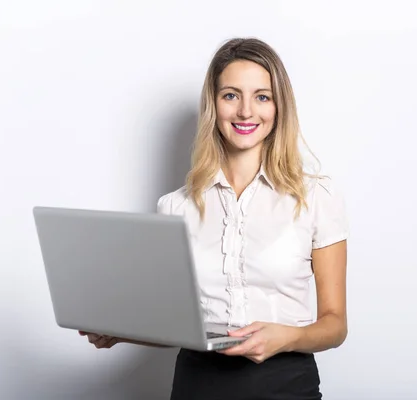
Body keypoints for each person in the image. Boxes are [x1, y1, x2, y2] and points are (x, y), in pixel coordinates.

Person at [80, 37, 348, 400]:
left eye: (262, 96)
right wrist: (119, 332)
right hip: (197, 384)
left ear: (279, 106)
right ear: (214, 104)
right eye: (231, 95)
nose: (246, 112)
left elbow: (335, 325)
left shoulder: (315, 198)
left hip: (286, 384)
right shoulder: (175, 207)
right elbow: (173, 325)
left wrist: (288, 337)